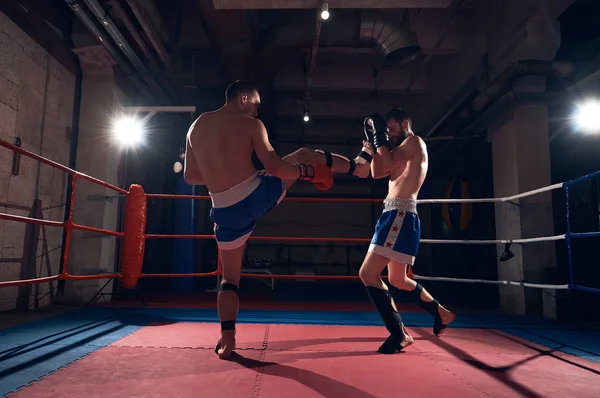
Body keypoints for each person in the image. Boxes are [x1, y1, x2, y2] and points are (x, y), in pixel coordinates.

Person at [183, 80, 372, 359]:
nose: (258, 111)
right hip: (254, 197)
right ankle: (361, 167)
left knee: (229, 279)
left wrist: (224, 177)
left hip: (224, 210)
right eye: (256, 104)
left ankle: (228, 341)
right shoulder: (250, 125)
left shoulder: (196, 127)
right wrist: (308, 172)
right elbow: (276, 167)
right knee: (305, 154)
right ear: (243, 98)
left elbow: (191, 176)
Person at [358, 108, 456, 354]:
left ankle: (399, 333)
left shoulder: (414, 142)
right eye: (385, 131)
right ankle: (441, 313)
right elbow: (377, 171)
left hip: (398, 214)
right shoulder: (398, 152)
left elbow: (386, 164)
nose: (388, 134)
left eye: (390, 129)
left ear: (404, 124)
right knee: (397, 279)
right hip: (395, 215)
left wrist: (379, 140)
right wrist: (372, 148)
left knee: (368, 273)